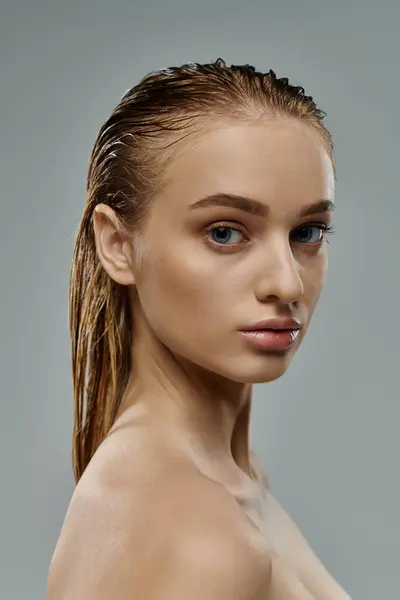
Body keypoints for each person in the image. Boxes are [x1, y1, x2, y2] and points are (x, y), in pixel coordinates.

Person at [45, 59, 351, 599]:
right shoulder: (197, 532)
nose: (287, 283)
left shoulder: (228, 481)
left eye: (307, 231)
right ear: (117, 245)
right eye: (225, 233)